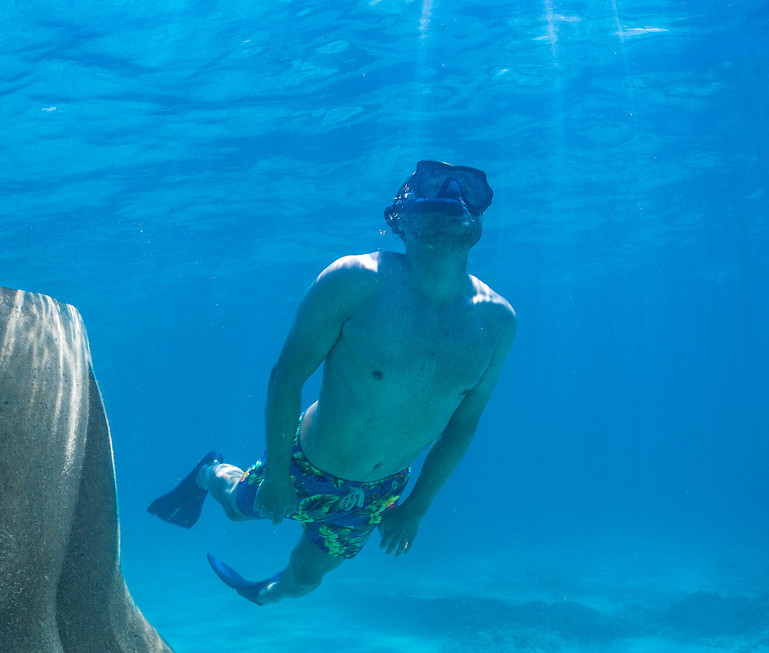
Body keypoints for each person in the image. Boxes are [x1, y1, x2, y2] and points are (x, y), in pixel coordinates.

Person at [146, 160, 518, 605]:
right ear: (403, 221)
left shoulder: (497, 322)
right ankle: (210, 472)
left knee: (304, 579)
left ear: (477, 222)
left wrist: (417, 506)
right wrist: (279, 475)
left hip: (378, 493)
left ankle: (261, 595)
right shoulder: (354, 281)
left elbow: (463, 425)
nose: (452, 200)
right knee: (237, 509)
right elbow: (286, 377)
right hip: (304, 464)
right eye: (434, 195)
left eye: (464, 195)